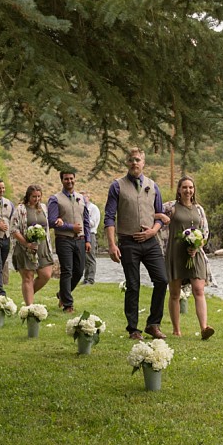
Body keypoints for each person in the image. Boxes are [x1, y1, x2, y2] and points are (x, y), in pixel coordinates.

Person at [104, 146, 168, 340]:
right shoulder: (117, 186)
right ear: (127, 162)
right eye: (131, 160)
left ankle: (153, 324)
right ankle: (133, 329)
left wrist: (154, 231)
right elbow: (109, 217)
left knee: (162, 280)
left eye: (138, 160)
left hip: (150, 241)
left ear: (144, 163)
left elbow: (160, 216)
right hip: (128, 241)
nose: (134, 163)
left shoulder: (153, 186)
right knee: (133, 284)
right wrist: (112, 244)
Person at [162, 176, 215, 340]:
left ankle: (204, 328)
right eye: (184, 187)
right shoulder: (171, 207)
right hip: (175, 253)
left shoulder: (199, 209)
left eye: (191, 187)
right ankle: (176, 329)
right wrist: (161, 218)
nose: (188, 190)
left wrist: (197, 246)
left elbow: (205, 231)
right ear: (179, 189)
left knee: (199, 289)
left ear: (194, 190)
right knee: (175, 293)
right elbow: (154, 216)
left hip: (196, 253)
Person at [48, 171, 90, 313]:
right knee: (67, 271)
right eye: (66, 179)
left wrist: (88, 240)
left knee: (79, 271)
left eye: (71, 178)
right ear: (62, 180)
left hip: (80, 240)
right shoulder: (55, 199)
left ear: (75, 179)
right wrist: (71, 227)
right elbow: (52, 221)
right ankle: (68, 304)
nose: (69, 181)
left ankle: (62, 294)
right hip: (63, 239)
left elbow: (86, 221)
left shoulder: (81, 198)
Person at [12, 184, 54, 306]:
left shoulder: (44, 208)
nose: (37, 199)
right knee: (28, 277)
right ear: (28, 196)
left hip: (42, 247)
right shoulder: (20, 209)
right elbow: (14, 230)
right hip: (24, 247)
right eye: (34, 196)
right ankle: (29, 307)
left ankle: (28, 294)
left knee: (45, 275)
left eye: (39, 196)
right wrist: (27, 244)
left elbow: (47, 225)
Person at [81, 191, 100, 285]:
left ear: (89, 197)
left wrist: (82, 221)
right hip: (83, 235)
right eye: (82, 197)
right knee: (85, 258)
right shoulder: (81, 207)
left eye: (85, 197)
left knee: (91, 257)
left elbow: (92, 222)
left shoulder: (93, 208)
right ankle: (86, 278)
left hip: (91, 234)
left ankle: (91, 279)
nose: (83, 198)